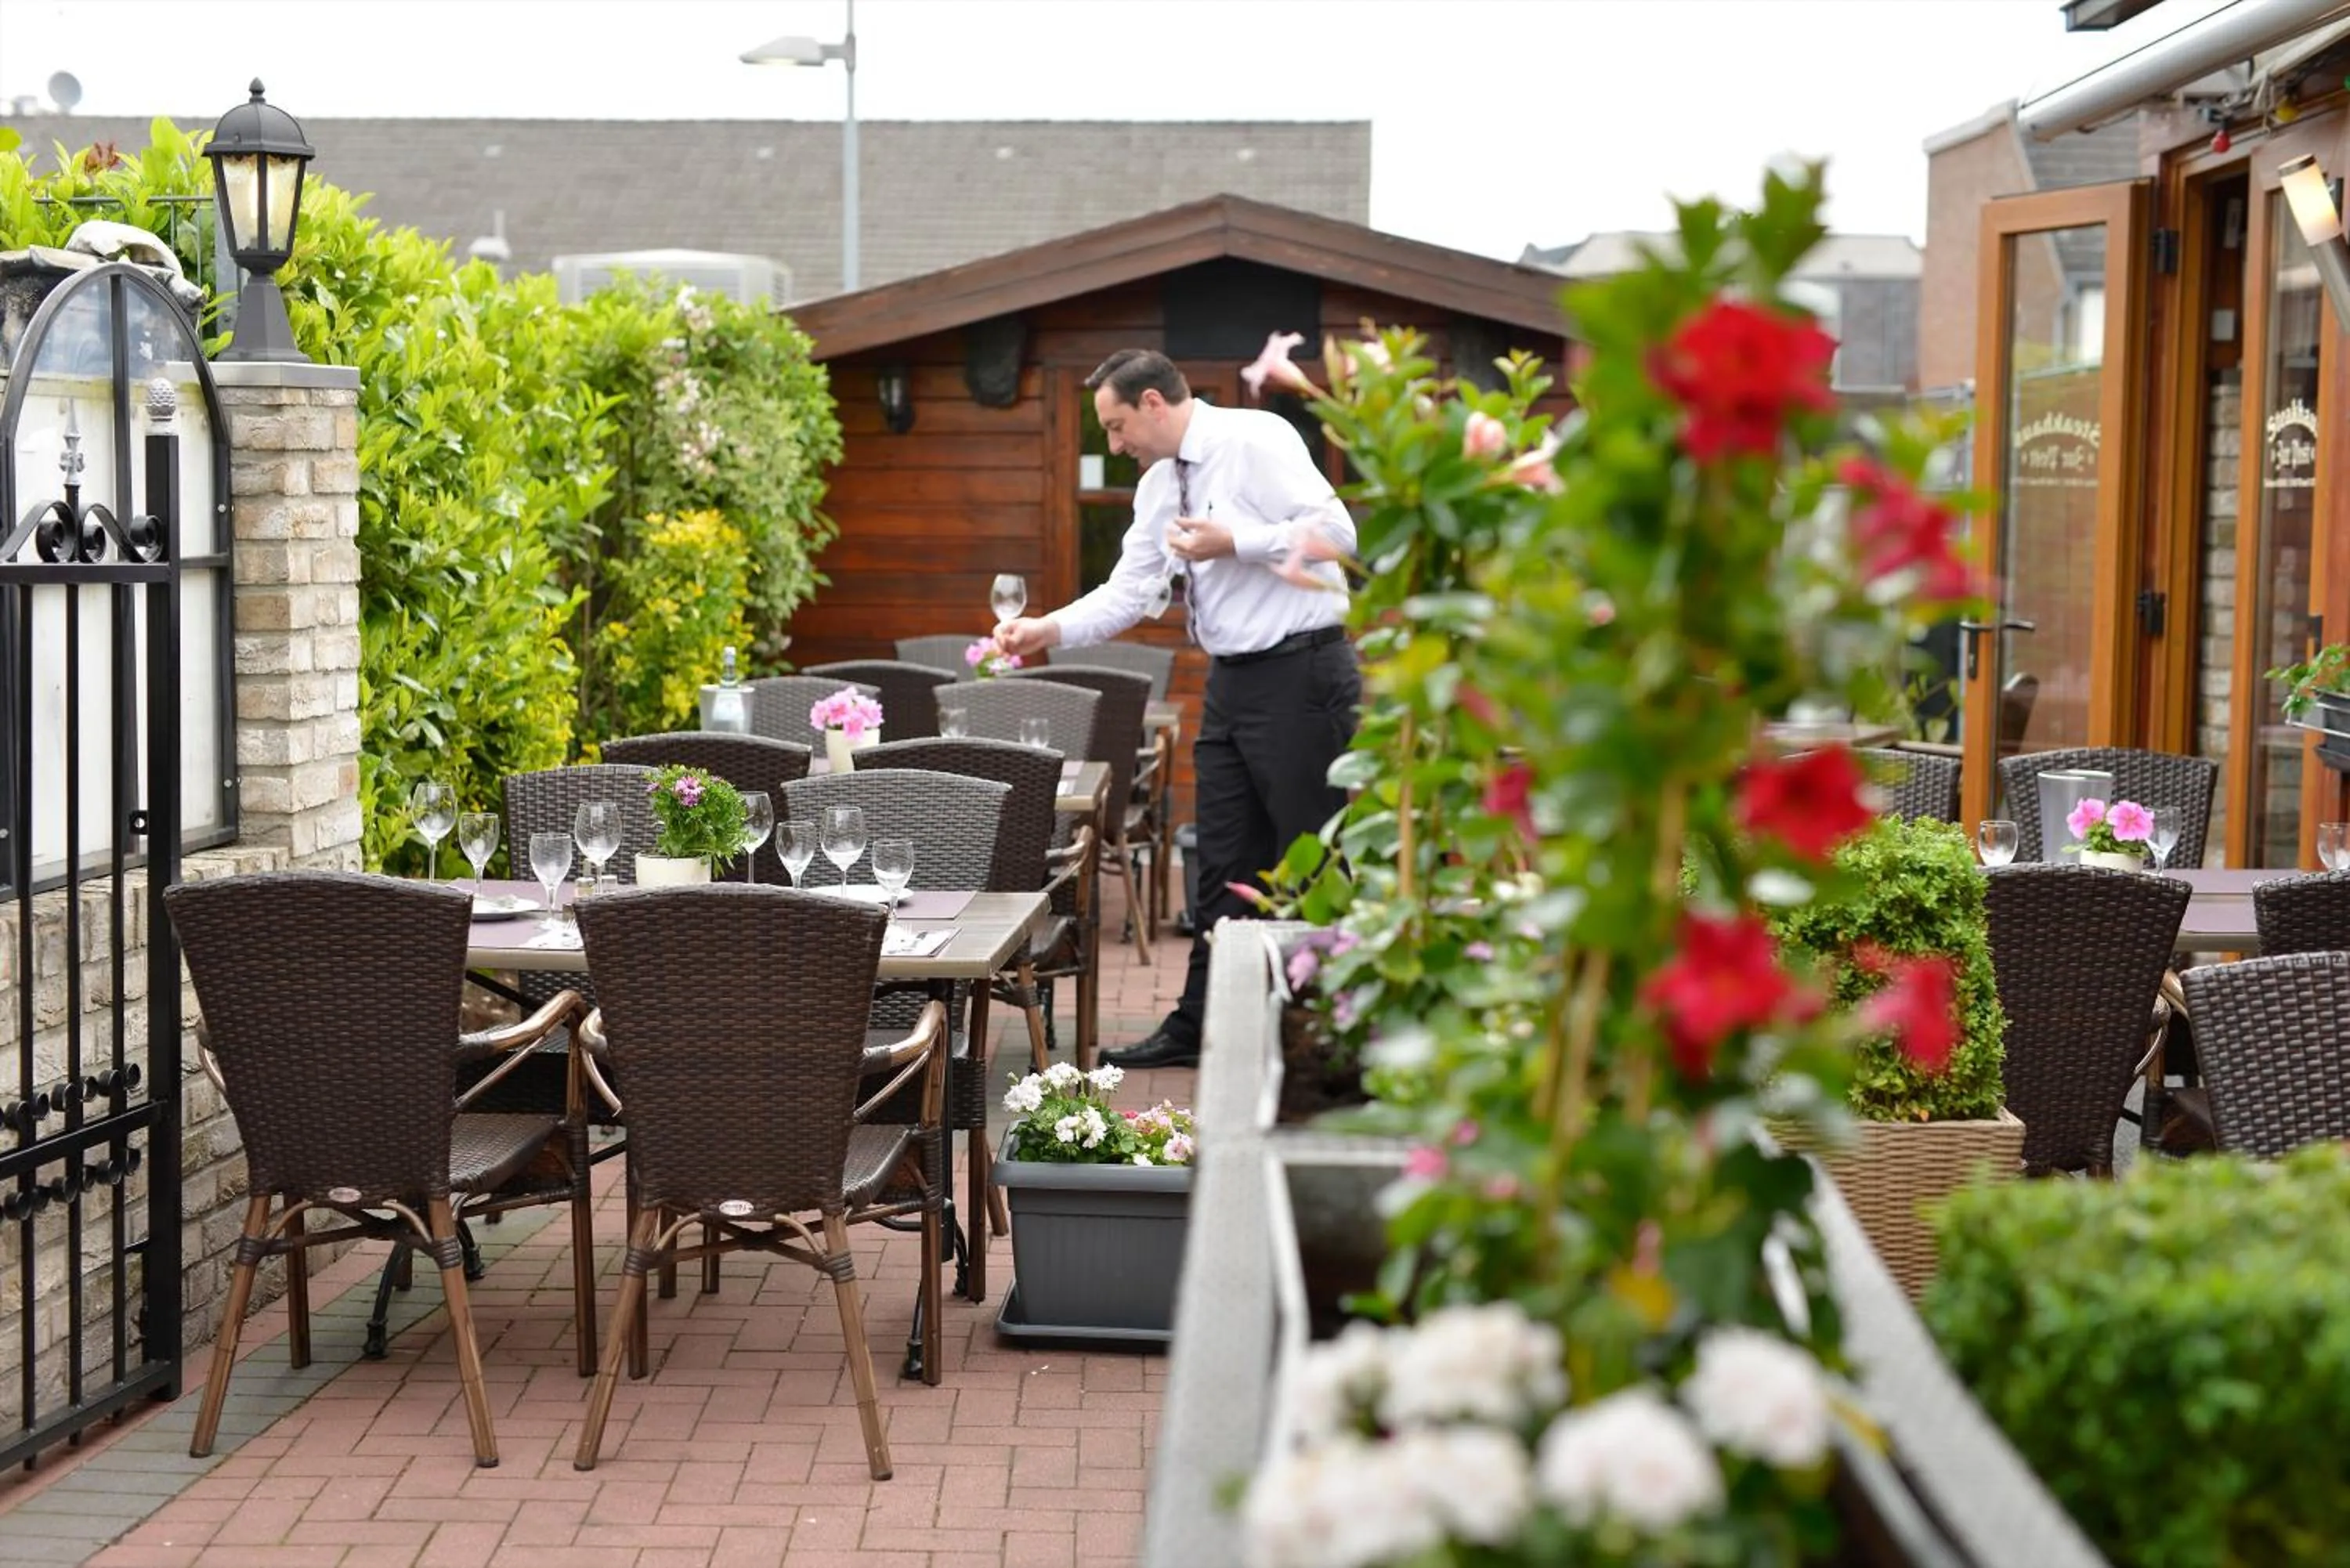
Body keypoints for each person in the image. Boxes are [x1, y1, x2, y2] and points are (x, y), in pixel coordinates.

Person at [993, 349, 1359, 1069]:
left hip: (1304, 674)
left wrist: (1239, 542)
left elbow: (1339, 535)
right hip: (1232, 684)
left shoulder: (1254, 441)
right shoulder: (1162, 485)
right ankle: (1203, 1025)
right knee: (1222, 863)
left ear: (1155, 403)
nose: (1115, 443)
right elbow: (1130, 590)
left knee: (1313, 862)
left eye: (1118, 425)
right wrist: (1047, 630)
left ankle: (1335, 1033)